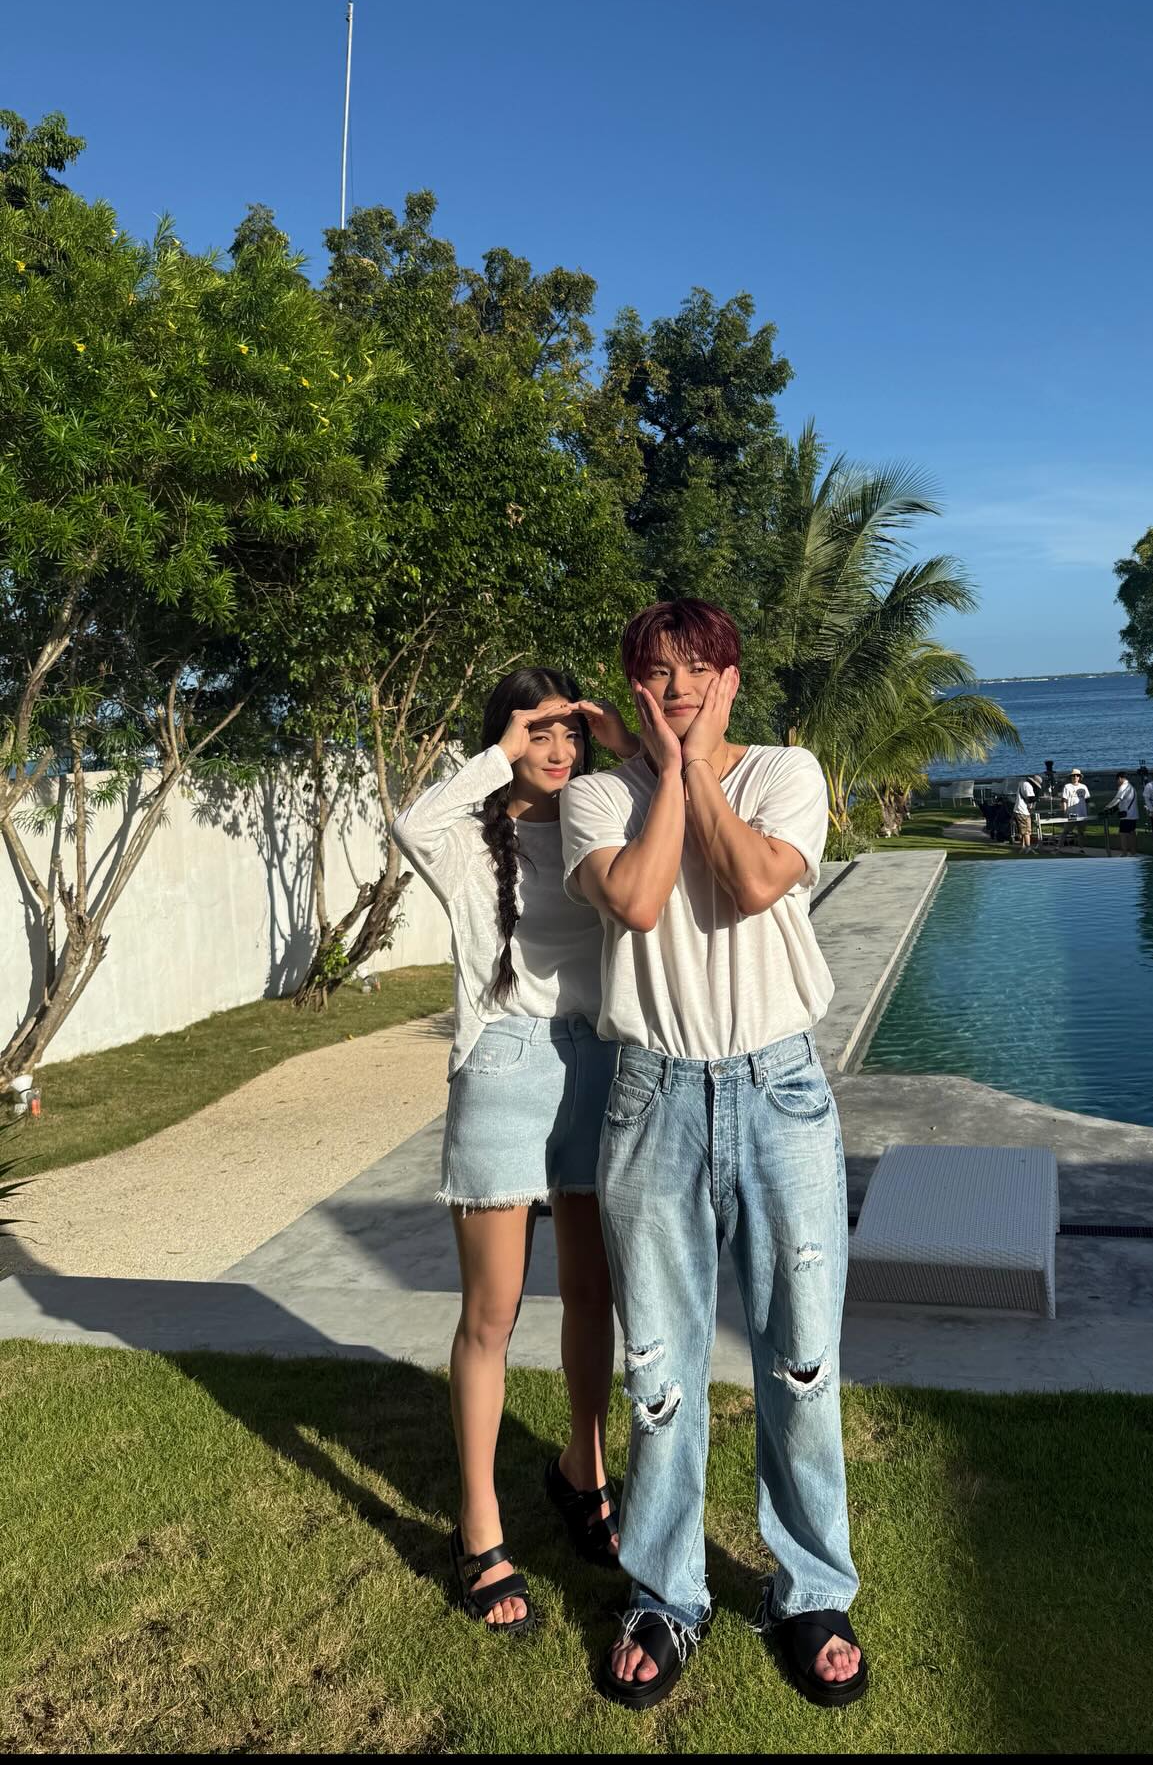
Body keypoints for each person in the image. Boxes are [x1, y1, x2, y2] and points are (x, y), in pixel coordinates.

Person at [561, 598, 868, 1712]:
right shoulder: (600, 796)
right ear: (633, 686)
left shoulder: (787, 772)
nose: (679, 685)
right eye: (657, 670)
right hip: (653, 1096)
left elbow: (750, 882)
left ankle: (812, 1588)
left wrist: (692, 767)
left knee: (802, 1358)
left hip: (779, 1089)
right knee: (659, 1368)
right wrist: (665, 771)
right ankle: (666, 1591)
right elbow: (642, 901)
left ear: (732, 679)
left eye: (698, 668)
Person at [391, 667, 640, 1637]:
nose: (558, 747)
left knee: (592, 1291)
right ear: (503, 737)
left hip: (597, 1058)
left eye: (568, 730)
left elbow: (671, 808)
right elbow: (411, 822)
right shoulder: (465, 835)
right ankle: (480, 1522)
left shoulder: (599, 813)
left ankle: (584, 1468)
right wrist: (501, 751)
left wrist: (620, 743)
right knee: (492, 1311)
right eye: (539, 730)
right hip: (502, 1062)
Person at [1106, 772, 1138, 854]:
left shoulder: (1124, 786)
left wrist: (1108, 807)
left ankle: (1124, 853)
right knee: (1132, 833)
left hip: (1126, 815)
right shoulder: (1131, 787)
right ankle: (1133, 852)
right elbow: (1124, 801)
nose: (1117, 782)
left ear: (1120, 778)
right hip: (1133, 814)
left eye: (1117, 780)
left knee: (1123, 834)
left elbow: (1117, 799)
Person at [1061, 768, 1090, 843]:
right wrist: (1065, 812)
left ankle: (1081, 847)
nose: (1075, 777)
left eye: (1077, 775)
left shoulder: (1084, 787)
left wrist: (1087, 812)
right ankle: (1058, 847)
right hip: (1071, 813)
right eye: (1073, 775)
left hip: (1082, 813)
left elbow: (1087, 801)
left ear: (1079, 777)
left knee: (1081, 832)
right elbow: (1064, 800)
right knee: (1066, 831)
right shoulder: (1067, 786)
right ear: (1071, 777)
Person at [1013, 772, 1035, 850]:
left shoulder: (1021, 783)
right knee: (1027, 831)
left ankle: (1023, 846)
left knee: (1022, 830)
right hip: (1023, 810)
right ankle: (1028, 847)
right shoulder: (1027, 785)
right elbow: (1031, 798)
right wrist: (1030, 808)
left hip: (1018, 809)